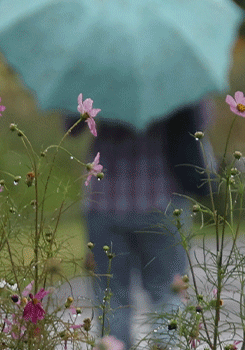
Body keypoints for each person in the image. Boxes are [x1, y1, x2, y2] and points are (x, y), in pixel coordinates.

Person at [79, 102, 215, 350]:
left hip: (105, 200)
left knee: (112, 296)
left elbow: (72, 124)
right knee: (167, 291)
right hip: (162, 200)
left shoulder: (97, 75)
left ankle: (114, 345)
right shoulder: (174, 72)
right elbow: (201, 122)